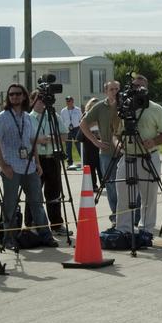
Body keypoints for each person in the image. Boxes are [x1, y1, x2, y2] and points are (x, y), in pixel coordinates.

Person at [112, 75, 162, 237]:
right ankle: (123, 229)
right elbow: (115, 133)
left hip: (148, 156)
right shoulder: (123, 108)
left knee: (149, 196)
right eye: (135, 86)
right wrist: (118, 143)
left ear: (147, 89)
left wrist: (153, 141)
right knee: (123, 194)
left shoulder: (155, 108)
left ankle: (146, 230)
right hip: (127, 156)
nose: (137, 89)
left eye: (141, 86)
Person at [0, 84, 47, 248]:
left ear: (24, 96)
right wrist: (3, 165)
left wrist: (37, 162)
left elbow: (32, 141)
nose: (14, 97)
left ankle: (45, 235)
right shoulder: (2, 117)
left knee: (37, 202)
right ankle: (9, 238)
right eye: (11, 94)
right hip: (11, 167)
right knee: (11, 205)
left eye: (17, 94)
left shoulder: (28, 117)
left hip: (29, 166)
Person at [80, 81, 123, 225]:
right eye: (112, 89)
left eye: (117, 89)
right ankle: (116, 215)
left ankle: (132, 216)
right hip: (107, 153)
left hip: (126, 152)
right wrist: (95, 141)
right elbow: (83, 124)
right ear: (106, 91)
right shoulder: (99, 107)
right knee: (110, 185)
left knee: (128, 185)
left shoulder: (125, 105)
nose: (115, 91)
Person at [29, 92, 68, 238]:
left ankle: (57, 224)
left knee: (54, 193)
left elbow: (65, 135)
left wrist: (51, 138)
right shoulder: (28, 118)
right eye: (39, 100)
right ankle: (32, 224)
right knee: (33, 193)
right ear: (32, 101)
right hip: (35, 160)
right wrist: (38, 140)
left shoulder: (53, 116)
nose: (42, 103)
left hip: (52, 158)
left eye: (44, 100)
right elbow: (26, 138)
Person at [81, 96, 102, 189]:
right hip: (89, 143)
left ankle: (104, 183)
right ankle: (93, 185)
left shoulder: (101, 115)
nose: (94, 107)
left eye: (96, 105)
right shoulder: (86, 115)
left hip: (101, 141)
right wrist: (93, 124)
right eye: (92, 105)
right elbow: (82, 127)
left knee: (101, 164)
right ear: (89, 106)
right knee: (91, 165)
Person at [57, 96, 83, 169]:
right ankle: (69, 163)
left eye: (69, 101)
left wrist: (81, 130)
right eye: (67, 101)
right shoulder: (63, 111)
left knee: (78, 145)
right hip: (67, 129)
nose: (68, 102)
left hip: (76, 129)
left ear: (72, 101)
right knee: (68, 146)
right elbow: (62, 121)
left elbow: (81, 120)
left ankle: (83, 161)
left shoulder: (78, 110)